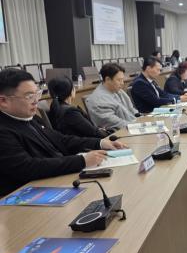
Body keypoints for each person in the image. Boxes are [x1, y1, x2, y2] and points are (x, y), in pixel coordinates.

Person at [0, 69, 125, 197]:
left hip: (54, 180)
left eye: (37, 94)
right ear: (3, 101)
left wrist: (100, 143)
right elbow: (28, 167)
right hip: (26, 194)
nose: (36, 100)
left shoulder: (29, 118)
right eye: (29, 96)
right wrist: (82, 161)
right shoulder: (4, 129)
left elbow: (61, 140)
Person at [86, 63, 138, 131]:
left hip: (132, 126)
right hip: (120, 133)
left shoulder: (118, 91)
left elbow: (132, 110)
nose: (122, 83)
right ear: (108, 79)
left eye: (122, 80)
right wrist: (139, 125)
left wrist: (142, 119)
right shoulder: (98, 101)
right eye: (119, 80)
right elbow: (117, 124)